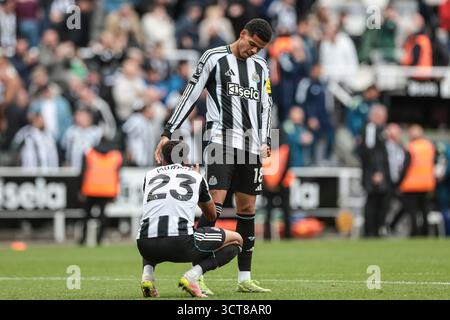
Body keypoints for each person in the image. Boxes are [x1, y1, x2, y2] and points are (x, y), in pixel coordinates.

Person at [154, 18, 273, 293]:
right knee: (213, 207)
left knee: (247, 210)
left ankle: (244, 278)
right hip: (220, 142)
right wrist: (169, 130)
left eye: (260, 48)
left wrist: (266, 139)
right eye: (252, 44)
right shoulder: (213, 57)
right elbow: (191, 94)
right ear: (242, 34)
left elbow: (266, 104)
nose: (254, 51)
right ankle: (196, 273)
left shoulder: (261, 67)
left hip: (251, 146)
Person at [138, 140, 243, 298]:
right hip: (180, 244)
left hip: (145, 245)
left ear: (163, 158)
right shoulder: (194, 176)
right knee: (237, 240)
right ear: (185, 159)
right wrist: (199, 181)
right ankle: (192, 276)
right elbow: (211, 215)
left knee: (153, 226)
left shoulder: (149, 176)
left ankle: (147, 276)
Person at [79, 137, 123, 245]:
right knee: (103, 216)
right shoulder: (116, 155)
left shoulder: (89, 153)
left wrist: (80, 189)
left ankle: (83, 239)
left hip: (90, 189)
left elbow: (82, 173)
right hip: (107, 190)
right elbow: (118, 175)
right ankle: (99, 239)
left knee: (87, 216)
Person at [398, 125, 436, 236]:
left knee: (413, 211)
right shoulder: (429, 146)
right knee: (424, 211)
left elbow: (405, 166)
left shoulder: (411, 147)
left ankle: (415, 233)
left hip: (411, 185)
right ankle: (426, 233)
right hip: (427, 184)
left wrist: (399, 183)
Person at [359, 104, 390, 237]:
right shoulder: (371, 128)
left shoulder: (378, 129)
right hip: (374, 172)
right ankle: (370, 231)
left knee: (379, 201)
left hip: (378, 171)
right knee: (372, 201)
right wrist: (376, 171)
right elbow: (371, 151)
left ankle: (376, 230)